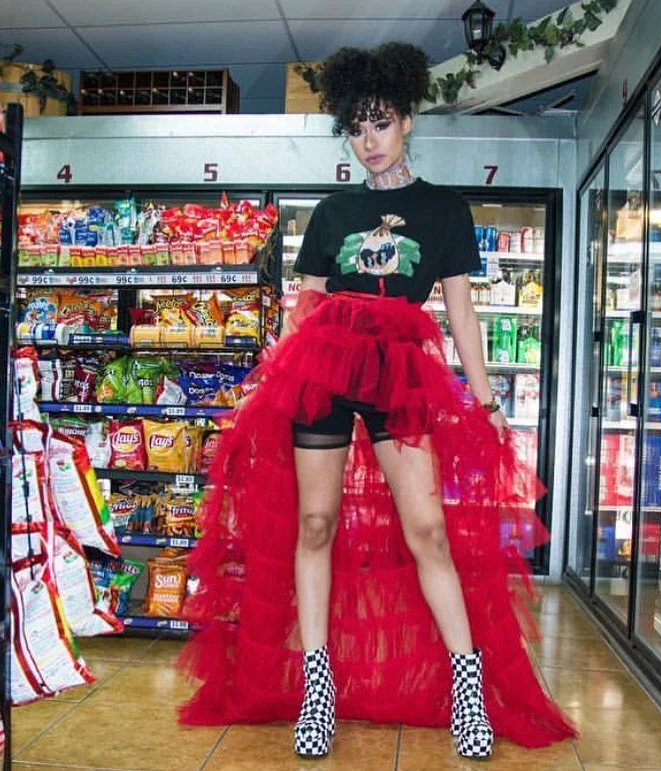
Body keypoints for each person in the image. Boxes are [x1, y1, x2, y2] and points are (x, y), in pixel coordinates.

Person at [178, 42, 576, 760]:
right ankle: (318, 691)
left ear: (407, 120)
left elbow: (461, 313)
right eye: (357, 128)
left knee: (427, 531)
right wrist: (270, 381)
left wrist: (485, 400)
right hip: (323, 369)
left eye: (381, 123)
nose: (369, 140)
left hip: (401, 374)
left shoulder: (443, 209)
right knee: (315, 523)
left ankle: (466, 690)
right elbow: (305, 308)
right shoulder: (333, 212)